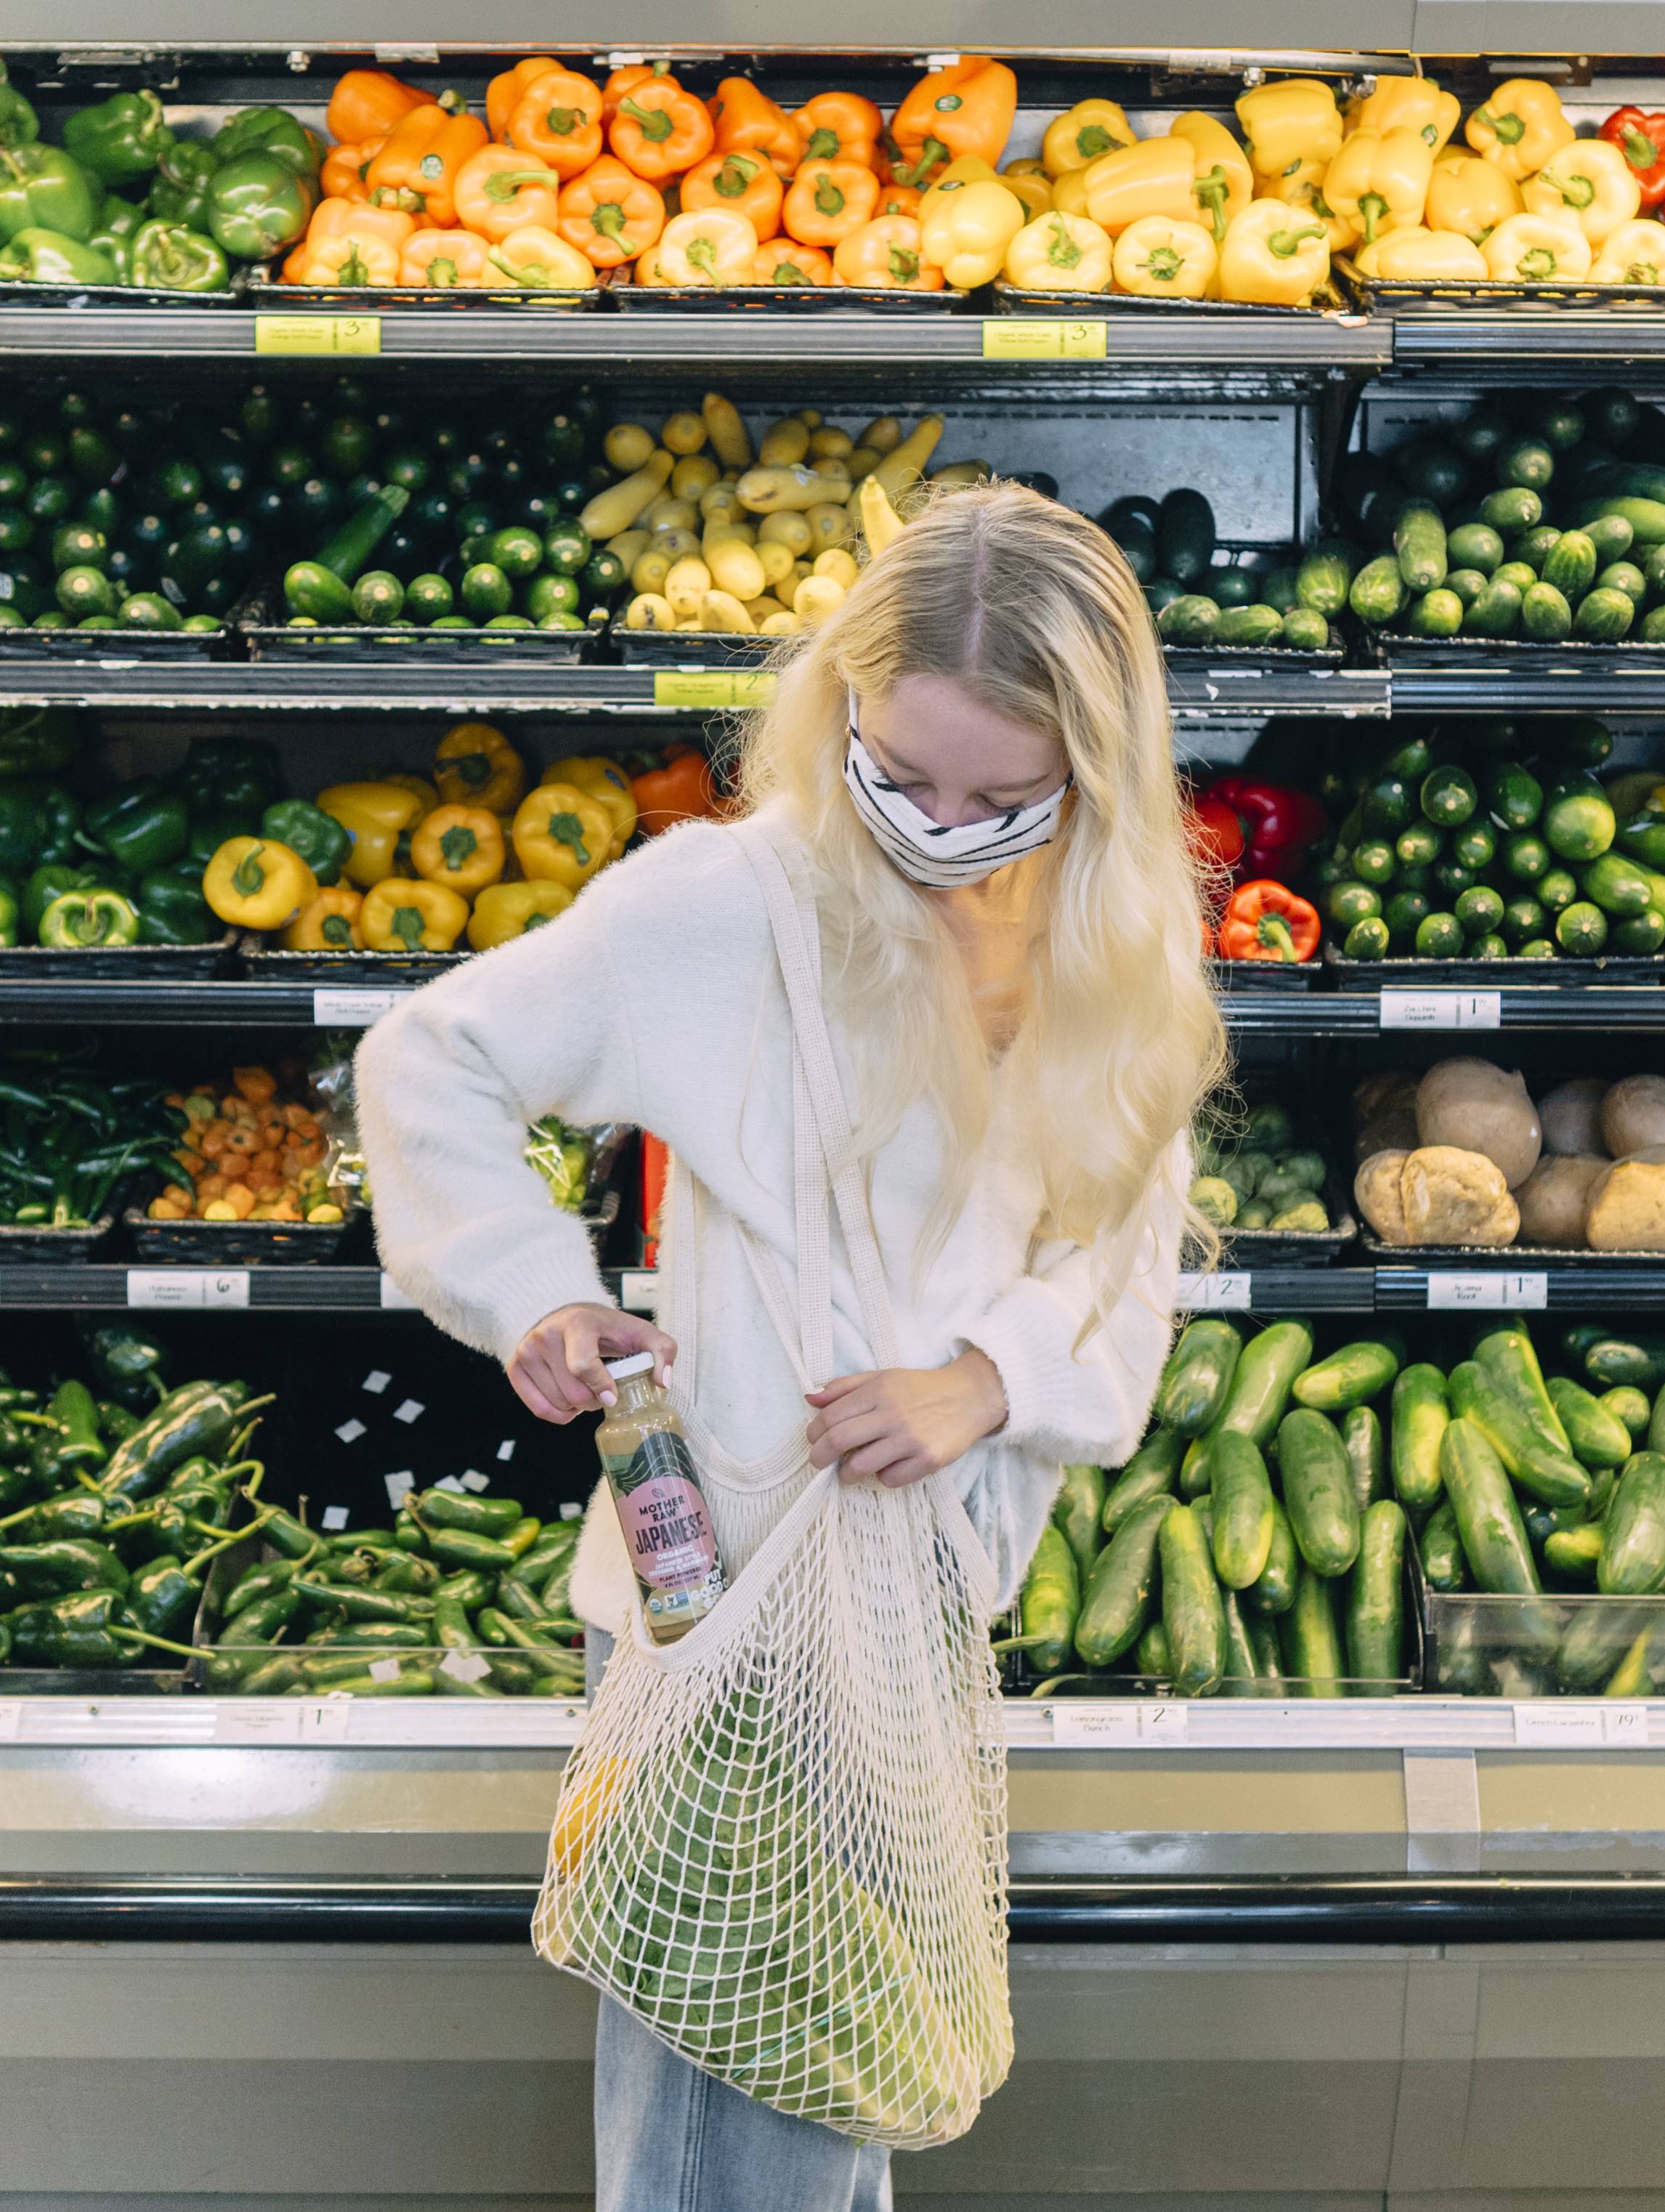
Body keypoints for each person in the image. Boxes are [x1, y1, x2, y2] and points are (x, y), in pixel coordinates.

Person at [356, 479, 1225, 2212]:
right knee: (728, 2131)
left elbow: (1126, 1241)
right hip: (723, 1613)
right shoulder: (723, 906)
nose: (942, 821)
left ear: (1096, 769)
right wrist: (531, 1279)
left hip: (912, 1618)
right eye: (902, 773)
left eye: (1002, 794)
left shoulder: (1104, 944)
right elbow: (428, 1059)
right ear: (841, 701)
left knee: (817, 2099)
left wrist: (987, 1377)